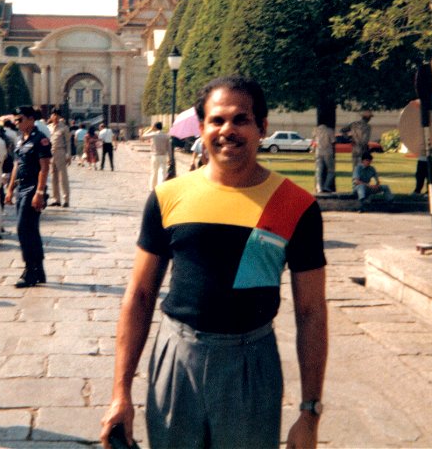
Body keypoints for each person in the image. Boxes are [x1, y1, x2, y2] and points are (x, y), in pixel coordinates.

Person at [101, 76, 327, 449]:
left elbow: (312, 312)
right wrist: (120, 394)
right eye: (217, 120)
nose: (228, 131)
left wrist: (309, 414)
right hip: (176, 360)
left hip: (252, 365)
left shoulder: (295, 205)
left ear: (262, 127)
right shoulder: (168, 196)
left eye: (241, 119)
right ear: (202, 128)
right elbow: (140, 295)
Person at [4, 106, 52, 288]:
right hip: (21, 187)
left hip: (33, 188)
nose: (17, 123)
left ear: (31, 119)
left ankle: (29, 270)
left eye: (20, 119)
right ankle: (39, 269)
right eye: (16, 120)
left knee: (23, 229)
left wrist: (39, 193)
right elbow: (17, 164)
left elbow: (44, 168)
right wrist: (10, 189)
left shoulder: (41, 140)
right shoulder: (20, 140)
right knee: (31, 229)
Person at [47, 110, 71, 207]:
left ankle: (66, 199)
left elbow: (68, 142)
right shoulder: (48, 128)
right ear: (51, 116)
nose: (55, 117)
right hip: (50, 153)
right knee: (53, 177)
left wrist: (68, 154)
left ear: (59, 116)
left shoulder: (64, 128)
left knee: (63, 177)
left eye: (57, 115)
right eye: (53, 115)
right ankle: (56, 199)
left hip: (60, 152)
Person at [141, 122, 170, 189]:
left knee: (154, 172)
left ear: (155, 127)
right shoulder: (166, 135)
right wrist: (170, 157)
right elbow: (169, 148)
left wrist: (150, 129)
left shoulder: (154, 134)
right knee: (163, 172)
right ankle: (161, 187)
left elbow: (143, 136)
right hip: (163, 156)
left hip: (155, 156)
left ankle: (152, 188)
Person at [313, 123, 336, 193]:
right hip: (328, 151)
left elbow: (314, 141)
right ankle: (326, 186)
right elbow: (333, 141)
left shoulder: (315, 130)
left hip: (318, 151)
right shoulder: (329, 130)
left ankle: (319, 187)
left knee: (319, 170)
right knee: (331, 170)